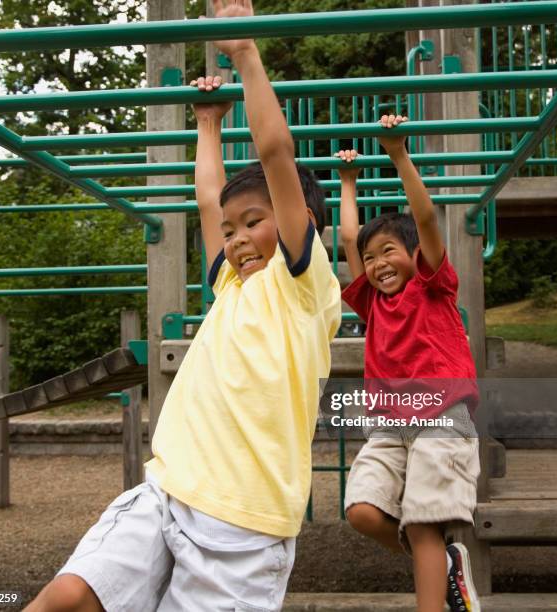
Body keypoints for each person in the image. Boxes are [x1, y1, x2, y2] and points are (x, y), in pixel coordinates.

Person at [24, 1, 340, 611]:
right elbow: (207, 202)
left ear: (301, 225)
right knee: (66, 596)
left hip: (243, 523)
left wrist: (246, 53)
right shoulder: (232, 284)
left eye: (256, 221)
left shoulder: (301, 285)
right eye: (232, 229)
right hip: (167, 488)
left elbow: (278, 156)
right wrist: (207, 123)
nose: (239, 236)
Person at [336, 115, 481, 612]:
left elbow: (425, 219)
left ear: (413, 255)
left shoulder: (431, 284)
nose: (377, 265)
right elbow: (348, 236)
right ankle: (442, 566)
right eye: (370, 259)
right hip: (391, 426)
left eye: (388, 252)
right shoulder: (371, 302)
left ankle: (432, 593)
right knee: (360, 511)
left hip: (442, 419)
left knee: (422, 523)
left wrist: (398, 153)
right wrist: (348, 182)